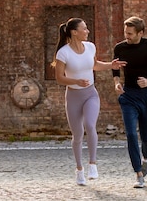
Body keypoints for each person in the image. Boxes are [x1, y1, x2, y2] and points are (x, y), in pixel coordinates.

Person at [53, 18, 126, 186]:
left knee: (90, 125)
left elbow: (94, 65)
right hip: (73, 97)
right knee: (77, 134)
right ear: (74, 32)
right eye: (84, 29)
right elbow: (59, 78)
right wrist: (75, 81)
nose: (87, 31)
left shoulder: (91, 47)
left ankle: (92, 164)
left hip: (90, 94)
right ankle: (79, 169)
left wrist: (111, 65)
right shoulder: (63, 53)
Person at [112, 16, 147, 188]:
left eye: (130, 34)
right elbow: (115, 69)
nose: (126, 36)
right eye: (125, 33)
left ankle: (146, 157)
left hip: (146, 95)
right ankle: (138, 174)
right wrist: (116, 83)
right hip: (128, 96)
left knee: (145, 138)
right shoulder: (119, 48)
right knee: (131, 135)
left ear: (140, 33)